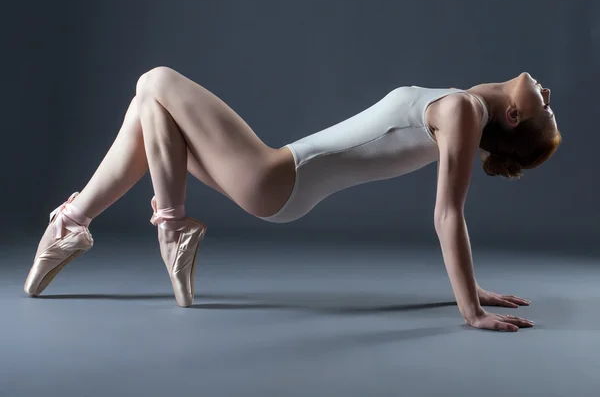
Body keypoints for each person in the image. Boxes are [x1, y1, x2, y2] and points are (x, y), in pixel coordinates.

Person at [24, 68, 561, 331]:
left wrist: (470, 310)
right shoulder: (461, 107)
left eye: (544, 107)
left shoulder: (465, 113)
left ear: (514, 116)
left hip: (276, 177)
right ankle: (73, 223)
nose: (548, 94)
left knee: (154, 79)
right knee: (147, 111)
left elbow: (449, 213)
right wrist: (475, 287)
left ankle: (170, 226)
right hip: (279, 176)